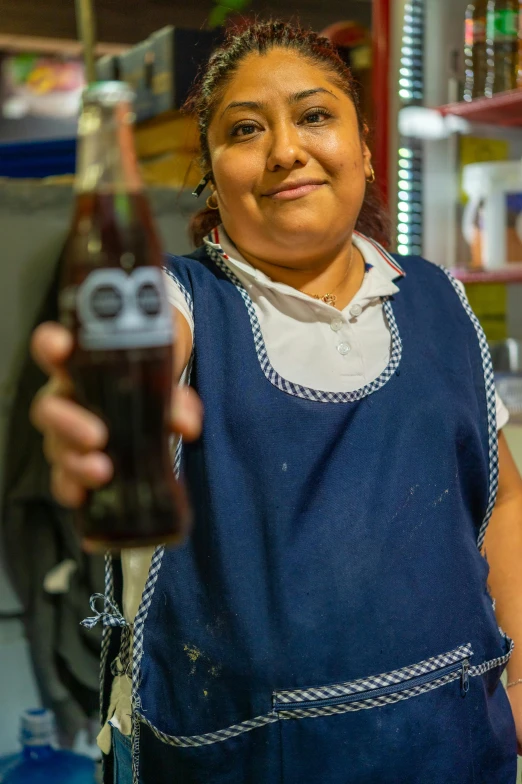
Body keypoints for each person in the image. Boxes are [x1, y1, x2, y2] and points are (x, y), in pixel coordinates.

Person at [29, 20, 522, 784]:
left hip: (450, 749)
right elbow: (139, 351)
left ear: (364, 148)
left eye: (316, 115)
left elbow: (500, 506)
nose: (287, 149)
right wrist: (107, 398)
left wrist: (519, 684)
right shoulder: (180, 299)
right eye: (247, 129)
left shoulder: (439, 299)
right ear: (210, 173)